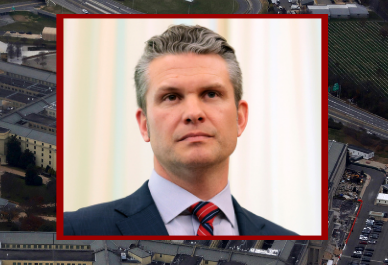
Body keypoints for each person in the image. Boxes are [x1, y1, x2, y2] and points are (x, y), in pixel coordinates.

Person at [63, 24, 297, 237]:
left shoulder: (288, 240)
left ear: (240, 118)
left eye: (211, 94)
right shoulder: (75, 229)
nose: (193, 113)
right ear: (145, 125)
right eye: (171, 97)